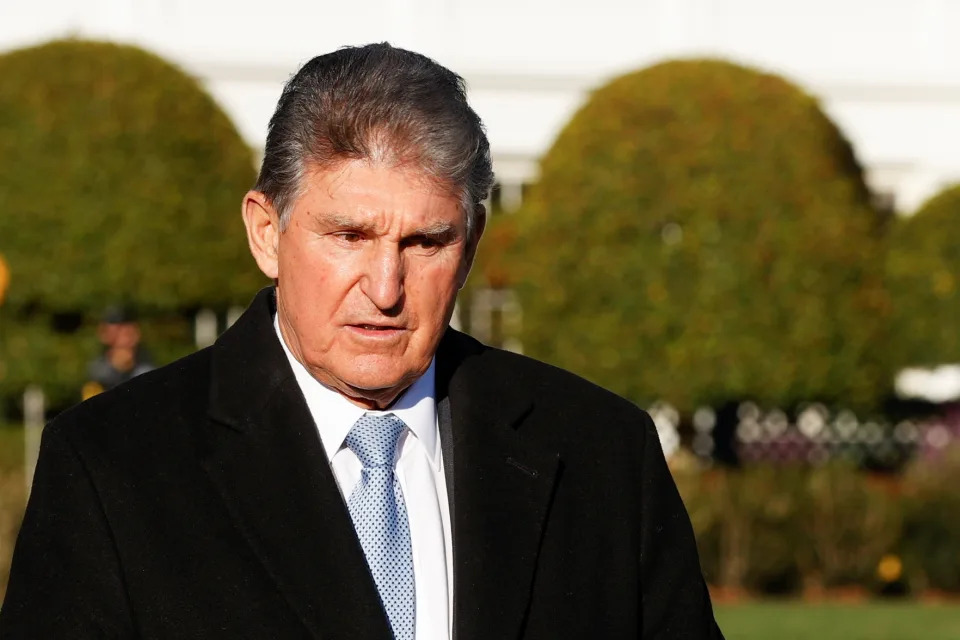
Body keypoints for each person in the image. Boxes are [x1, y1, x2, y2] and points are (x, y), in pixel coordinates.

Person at [0, 44, 724, 639]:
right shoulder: (114, 466)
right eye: (349, 236)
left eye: (425, 242)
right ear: (265, 232)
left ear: (469, 249)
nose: (385, 286)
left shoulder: (603, 453)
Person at [83, 306, 155, 399]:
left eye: (129, 329)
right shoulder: (97, 373)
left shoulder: (147, 371)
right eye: (119, 330)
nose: (125, 335)